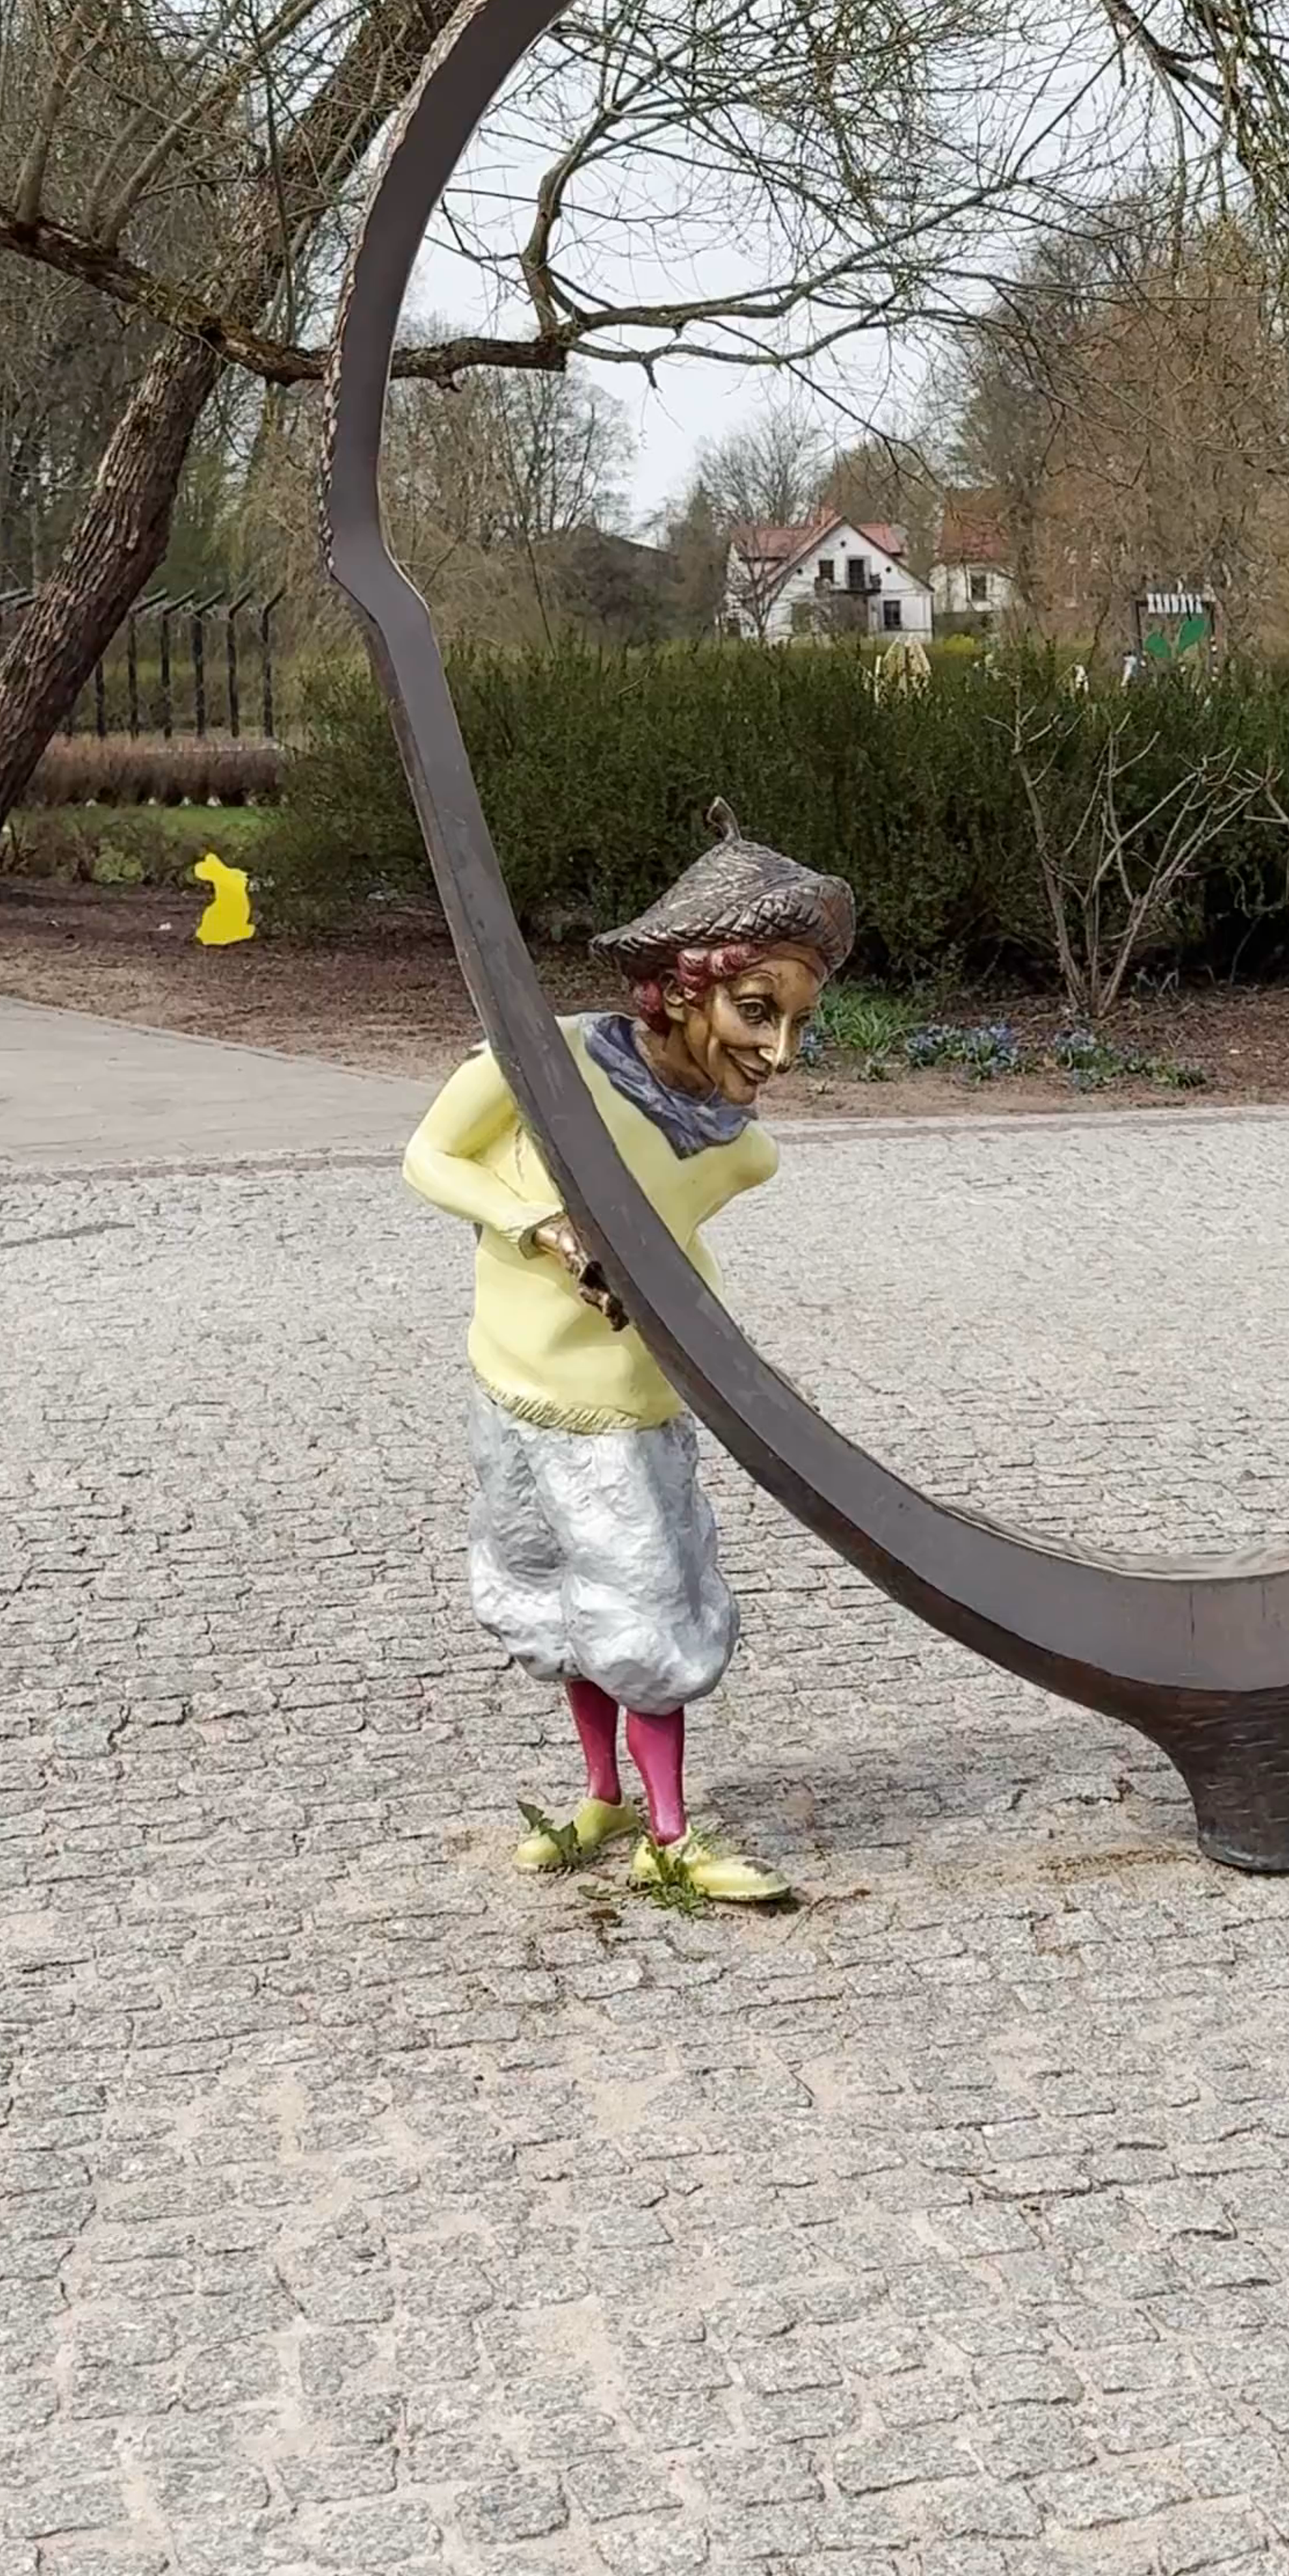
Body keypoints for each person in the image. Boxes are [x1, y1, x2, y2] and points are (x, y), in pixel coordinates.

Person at [403, 808, 853, 1905]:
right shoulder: (541, 1059)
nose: (780, 1052)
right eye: (758, 1012)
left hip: (623, 1407)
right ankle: (601, 1795)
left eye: (798, 1023)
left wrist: (669, 1303)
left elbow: (676, 1251)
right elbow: (426, 1156)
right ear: (683, 987)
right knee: (556, 1601)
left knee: (644, 1607)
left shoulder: (740, 1151)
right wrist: (538, 1223)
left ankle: (668, 1831)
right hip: (513, 1389)